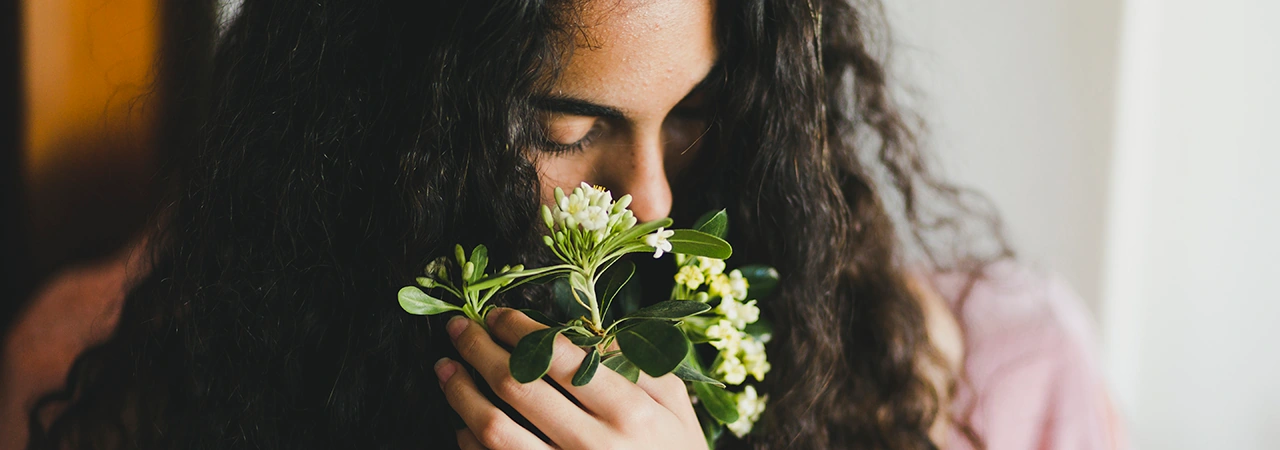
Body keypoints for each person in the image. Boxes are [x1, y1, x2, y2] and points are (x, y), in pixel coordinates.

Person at [3, 0, 1125, 448]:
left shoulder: (1005, 380)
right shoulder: (126, 385)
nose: (651, 206)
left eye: (696, 120)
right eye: (563, 125)